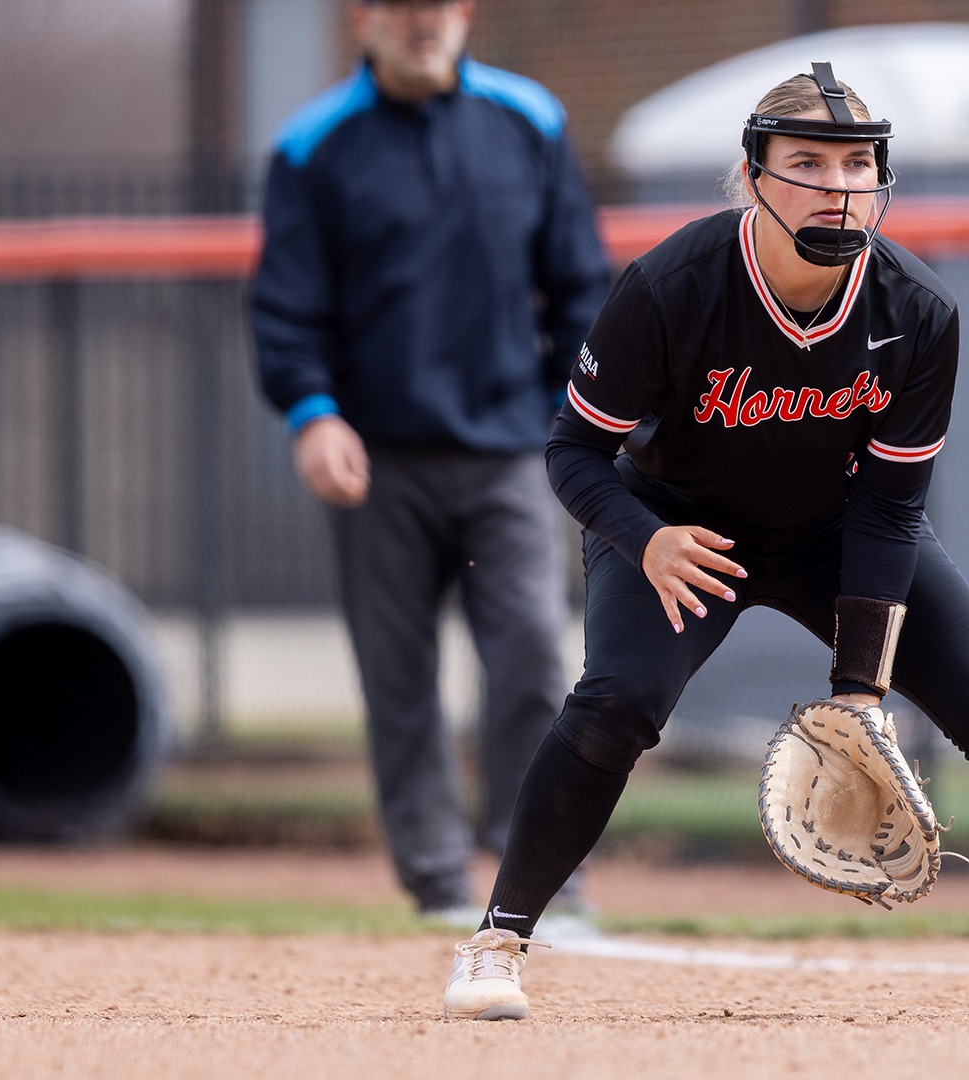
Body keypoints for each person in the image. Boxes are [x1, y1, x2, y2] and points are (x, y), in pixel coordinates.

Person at [438, 63, 969, 1020]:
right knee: (616, 705)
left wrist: (859, 691)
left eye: (858, 164)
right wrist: (642, 539)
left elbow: (892, 509)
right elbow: (574, 451)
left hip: (836, 529)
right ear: (753, 175)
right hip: (682, 531)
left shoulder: (917, 311)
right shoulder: (672, 285)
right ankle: (497, 941)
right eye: (806, 161)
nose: (837, 185)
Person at [248, 0, 610, 922]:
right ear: (362, 19)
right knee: (398, 676)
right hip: (376, 459)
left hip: (510, 452)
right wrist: (313, 415)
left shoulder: (529, 120)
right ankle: (439, 883)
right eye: (404, 6)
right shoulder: (312, 145)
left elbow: (579, 288)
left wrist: (583, 413)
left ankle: (544, 875)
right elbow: (285, 308)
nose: (426, 22)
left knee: (531, 653)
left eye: (441, 5)